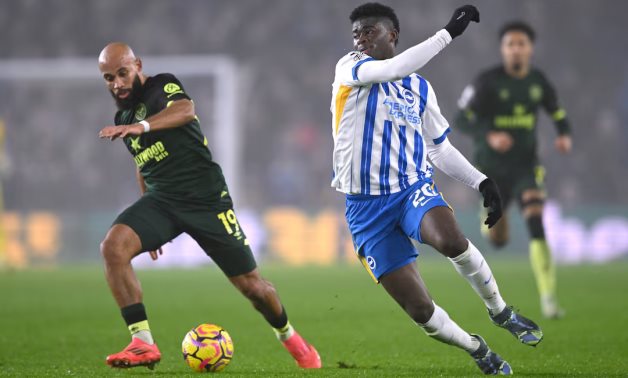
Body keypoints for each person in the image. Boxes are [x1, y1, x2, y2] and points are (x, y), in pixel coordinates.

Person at [331, 3, 543, 375]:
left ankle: (501, 311)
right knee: (421, 311)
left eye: (369, 31)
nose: (360, 39)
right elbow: (394, 68)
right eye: (356, 33)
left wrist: (482, 181)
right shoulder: (349, 66)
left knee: (450, 240)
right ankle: (476, 348)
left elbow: (439, 148)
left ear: (392, 34)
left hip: (410, 189)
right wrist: (449, 33)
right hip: (364, 209)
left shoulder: (419, 89)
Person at [97, 43, 320, 370]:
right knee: (113, 248)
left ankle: (290, 336)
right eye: (108, 77)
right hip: (161, 202)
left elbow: (186, 110)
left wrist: (141, 126)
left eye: (122, 72)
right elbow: (142, 164)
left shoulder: (162, 86)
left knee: (253, 288)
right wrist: (147, 220)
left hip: (206, 200)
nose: (117, 82)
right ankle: (142, 343)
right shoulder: (123, 116)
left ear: (138, 65)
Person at [455, 21, 572, 319]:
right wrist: (490, 133)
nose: (516, 49)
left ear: (530, 49)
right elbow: (460, 118)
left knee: (536, 217)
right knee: (498, 239)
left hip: (525, 165)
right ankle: (490, 220)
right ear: (503, 49)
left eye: (521, 44)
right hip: (490, 170)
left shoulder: (538, 82)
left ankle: (548, 298)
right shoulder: (486, 82)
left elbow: (557, 111)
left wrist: (563, 133)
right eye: (511, 44)